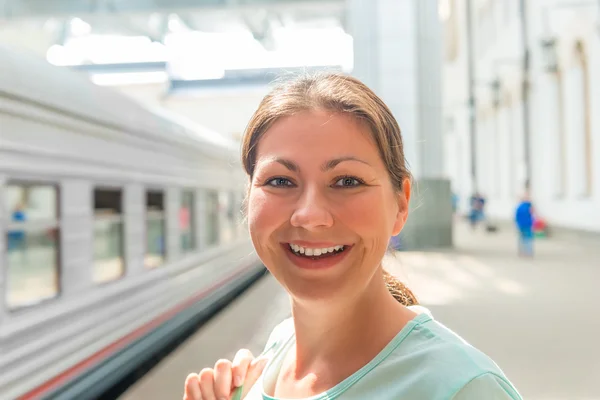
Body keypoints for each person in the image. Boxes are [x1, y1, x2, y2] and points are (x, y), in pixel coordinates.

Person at [184, 73, 522, 400]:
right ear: (248, 199)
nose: (311, 216)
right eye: (280, 181)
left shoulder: (463, 388)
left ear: (401, 203)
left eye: (347, 181)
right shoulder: (275, 353)